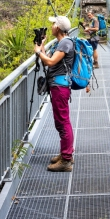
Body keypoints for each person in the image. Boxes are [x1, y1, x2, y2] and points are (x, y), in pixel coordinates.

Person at [35, 15, 75, 172]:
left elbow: (50, 62)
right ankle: (65, 153)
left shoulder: (65, 43)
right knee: (60, 121)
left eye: (53, 24)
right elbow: (49, 59)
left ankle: (66, 160)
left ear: (58, 28)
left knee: (63, 121)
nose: (51, 26)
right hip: (58, 85)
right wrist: (42, 47)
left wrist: (38, 52)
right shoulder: (61, 42)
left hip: (60, 86)